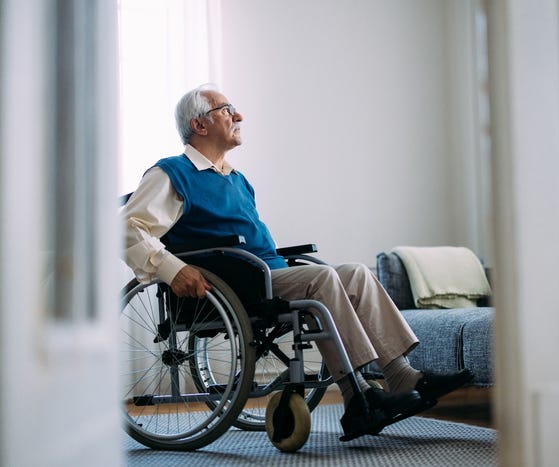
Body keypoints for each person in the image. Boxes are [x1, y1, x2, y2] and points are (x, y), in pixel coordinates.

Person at [122, 83, 473, 440]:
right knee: (322, 280)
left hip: (267, 273)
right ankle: (357, 397)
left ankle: (401, 374)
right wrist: (173, 269)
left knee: (355, 273)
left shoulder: (237, 179)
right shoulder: (171, 173)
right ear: (199, 125)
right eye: (227, 110)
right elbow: (128, 228)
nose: (239, 116)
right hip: (234, 285)